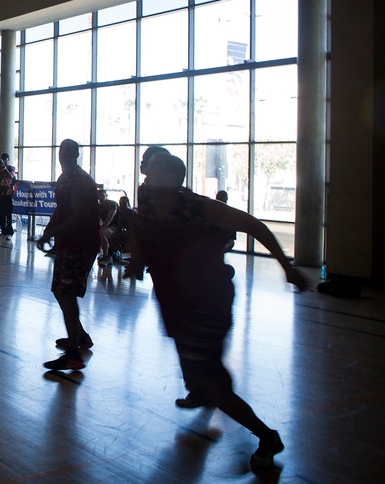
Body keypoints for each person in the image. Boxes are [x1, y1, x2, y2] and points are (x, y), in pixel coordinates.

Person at [131, 153, 308, 471]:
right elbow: (143, 241)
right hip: (174, 303)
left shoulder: (198, 206)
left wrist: (287, 267)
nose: (146, 171)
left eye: (155, 167)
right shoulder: (146, 206)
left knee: (213, 381)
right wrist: (135, 263)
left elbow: (254, 225)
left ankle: (267, 436)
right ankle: (204, 388)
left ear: (173, 177)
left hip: (207, 302)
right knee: (200, 371)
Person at [35, 139, 101, 371]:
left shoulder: (82, 181)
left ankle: (74, 353)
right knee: (60, 290)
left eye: (69, 150)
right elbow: (61, 210)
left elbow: (79, 218)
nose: (64, 153)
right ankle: (80, 337)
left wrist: (53, 231)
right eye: (62, 149)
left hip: (81, 244)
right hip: (67, 243)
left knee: (66, 292)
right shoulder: (65, 179)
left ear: (76, 154)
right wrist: (49, 231)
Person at [123, 145, 171, 280]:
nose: (142, 163)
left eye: (148, 161)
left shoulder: (171, 191)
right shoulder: (144, 189)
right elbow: (142, 224)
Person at [0, 154, 17, 241]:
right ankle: (3, 231)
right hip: (0, 194)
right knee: (2, 213)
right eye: (3, 159)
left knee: (8, 214)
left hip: (8, 194)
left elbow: (12, 177)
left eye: (5, 159)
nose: (4, 161)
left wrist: (5, 169)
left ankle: (10, 232)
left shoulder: (11, 168)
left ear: (8, 159)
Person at [97, 188, 119, 263]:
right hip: (106, 226)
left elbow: (110, 218)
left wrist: (101, 228)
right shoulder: (98, 207)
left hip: (115, 226)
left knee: (101, 233)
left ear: (106, 195)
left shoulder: (112, 204)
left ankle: (106, 256)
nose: (100, 197)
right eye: (98, 196)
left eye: (102, 195)